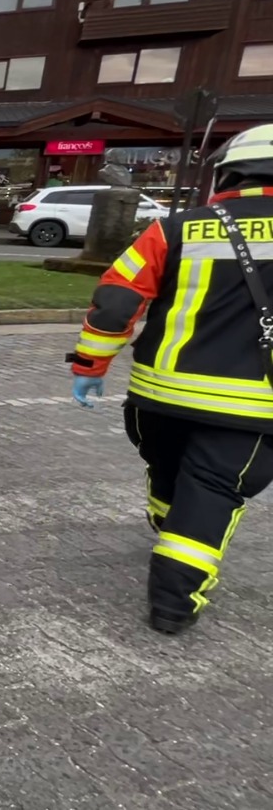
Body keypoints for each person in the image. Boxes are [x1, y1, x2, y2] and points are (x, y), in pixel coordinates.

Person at [68, 125, 273, 635]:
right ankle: (172, 604)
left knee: (167, 466)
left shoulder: (175, 227)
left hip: (158, 396)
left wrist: (90, 366)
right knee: (211, 491)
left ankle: (165, 522)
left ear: (227, 174)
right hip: (251, 407)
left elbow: (116, 302)